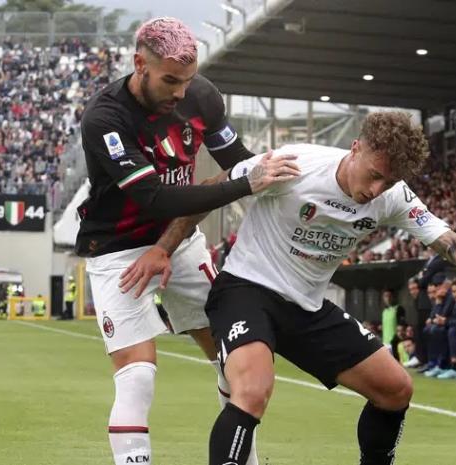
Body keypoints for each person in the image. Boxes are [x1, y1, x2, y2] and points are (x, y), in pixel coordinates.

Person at [186, 112, 456, 465]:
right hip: (247, 289)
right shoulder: (294, 164)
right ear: (355, 149)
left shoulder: (393, 196)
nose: (375, 191)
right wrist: (160, 250)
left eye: (387, 183)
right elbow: (209, 192)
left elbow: (445, 239)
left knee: (396, 389)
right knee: (252, 391)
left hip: (307, 307)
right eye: (374, 175)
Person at [76, 17, 294, 465]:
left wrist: (297, 181)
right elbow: (153, 197)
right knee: (138, 379)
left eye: (186, 81)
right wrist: (245, 185)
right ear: (140, 64)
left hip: (181, 239)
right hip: (117, 251)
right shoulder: (105, 119)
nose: (179, 93)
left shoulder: (202, 95)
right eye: (170, 80)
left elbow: (237, 160)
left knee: (235, 359)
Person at [420, 276, 453, 377]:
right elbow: (433, 316)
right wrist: (432, 318)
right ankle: (432, 362)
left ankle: (441, 364)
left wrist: (438, 302)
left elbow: (444, 314)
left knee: (436, 330)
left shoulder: (450, 296)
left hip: (450, 324)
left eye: (439, 286)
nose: (438, 289)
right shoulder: (440, 297)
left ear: (446, 285)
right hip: (442, 324)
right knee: (427, 330)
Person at [379, 289, 405, 361]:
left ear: (393, 297)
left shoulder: (398, 308)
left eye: (389, 296)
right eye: (386, 296)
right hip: (385, 341)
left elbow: (401, 324)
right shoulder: (384, 311)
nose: (388, 298)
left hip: (394, 341)